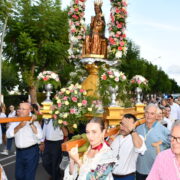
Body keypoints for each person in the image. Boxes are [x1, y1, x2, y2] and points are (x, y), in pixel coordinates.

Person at [6, 102, 43, 180]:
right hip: (19, 152)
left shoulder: (34, 120)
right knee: (18, 176)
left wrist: (31, 124)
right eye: (20, 108)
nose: (21, 110)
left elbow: (40, 136)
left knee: (29, 177)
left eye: (23, 109)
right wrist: (19, 126)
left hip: (32, 152)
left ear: (29, 110)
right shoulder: (16, 120)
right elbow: (8, 135)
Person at [136, 103, 170, 180]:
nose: (149, 115)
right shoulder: (138, 129)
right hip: (140, 170)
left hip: (156, 171)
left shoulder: (164, 130)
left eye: (152, 113)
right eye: (147, 113)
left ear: (156, 115)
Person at [111, 114, 147, 180]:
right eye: (122, 124)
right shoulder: (116, 138)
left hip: (127, 177)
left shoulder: (137, 138)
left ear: (133, 126)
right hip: (111, 176)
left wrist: (132, 131)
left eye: (127, 125)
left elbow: (140, 148)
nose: (122, 127)